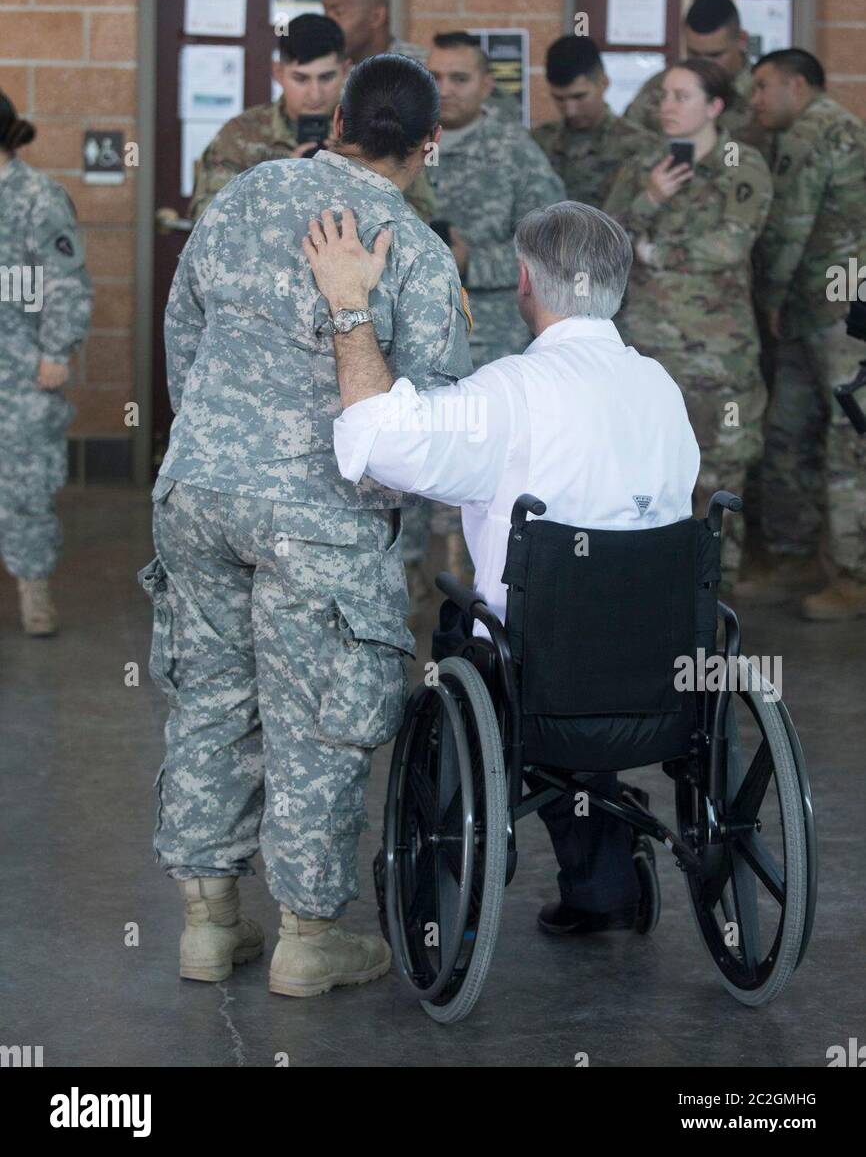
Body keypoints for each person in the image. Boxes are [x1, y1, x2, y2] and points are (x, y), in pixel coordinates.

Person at [139, 54, 473, 998]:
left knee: (209, 695)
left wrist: (212, 446)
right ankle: (307, 939)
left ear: (334, 119)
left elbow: (182, 335)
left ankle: (208, 928)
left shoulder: (246, 194)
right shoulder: (409, 247)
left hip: (196, 492)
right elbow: (429, 421)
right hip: (318, 516)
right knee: (316, 718)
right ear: (429, 144)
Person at [302, 199, 699, 937]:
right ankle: (601, 882)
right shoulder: (664, 393)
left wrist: (349, 305)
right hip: (660, 674)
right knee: (583, 621)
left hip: (540, 676)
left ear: (524, 280)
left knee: (475, 624)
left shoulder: (507, 394)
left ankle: (459, 866)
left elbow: (381, 441)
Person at [604, 59, 773, 586]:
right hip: (646, 352)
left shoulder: (740, 164)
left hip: (718, 359)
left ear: (714, 106)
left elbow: (728, 246)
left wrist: (651, 247)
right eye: (663, 96)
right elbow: (608, 239)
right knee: (648, 473)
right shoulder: (641, 165)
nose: (666, 106)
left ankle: (715, 601)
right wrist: (650, 197)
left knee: (722, 471)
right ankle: (656, 598)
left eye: (681, 96)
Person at [742, 48, 866, 619]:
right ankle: (797, 557)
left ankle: (851, 573)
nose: (756, 99)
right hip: (824, 310)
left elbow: (789, 229)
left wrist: (766, 300)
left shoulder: (811, 133)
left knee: (843, 438)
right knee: (793, 429)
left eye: (764, 86)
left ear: (797, 84)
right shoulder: (843, 126)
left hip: (833, 313)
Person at [188, 12, 434, 225]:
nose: (314, 94)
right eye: (301, 79)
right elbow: (209, 220)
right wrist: (279, 184)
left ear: (346, 70)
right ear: (278, 73)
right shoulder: (241, 135)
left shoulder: (377, 126)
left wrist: (353, 176)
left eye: (326, 77)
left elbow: (420, 217)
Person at [0, 92, 92, 636]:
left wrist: (57, 351)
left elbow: (65, 283)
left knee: (27, 485)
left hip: (20, 368)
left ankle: (33, 589)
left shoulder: (37, 198)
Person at [426, 31, 566, 366]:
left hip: (490, 339)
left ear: (487, 85)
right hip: (414, 330)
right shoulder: (399, 144)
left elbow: (550, 248)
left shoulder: (516, 153)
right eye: (435, 78)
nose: (444, 90)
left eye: (459, 79)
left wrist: (472, 262)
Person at [323, 0, 521, 124]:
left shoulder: (426, 66)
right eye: (326, 12)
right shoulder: (323, 73)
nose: (328, 22)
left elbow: (502, 106)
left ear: (376, 17)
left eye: (337, 12)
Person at [626, 0, 766, 152]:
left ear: (742, 40)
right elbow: (628, 147)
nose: (704, 64)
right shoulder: (660, 87)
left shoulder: (762, 92)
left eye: (715, 55)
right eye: (694, 54)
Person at [532, 36, 657, 206]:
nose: (570, 110)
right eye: (559, 99)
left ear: (604, 83)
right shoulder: (537, 144)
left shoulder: (640, 146)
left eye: (579, 97)